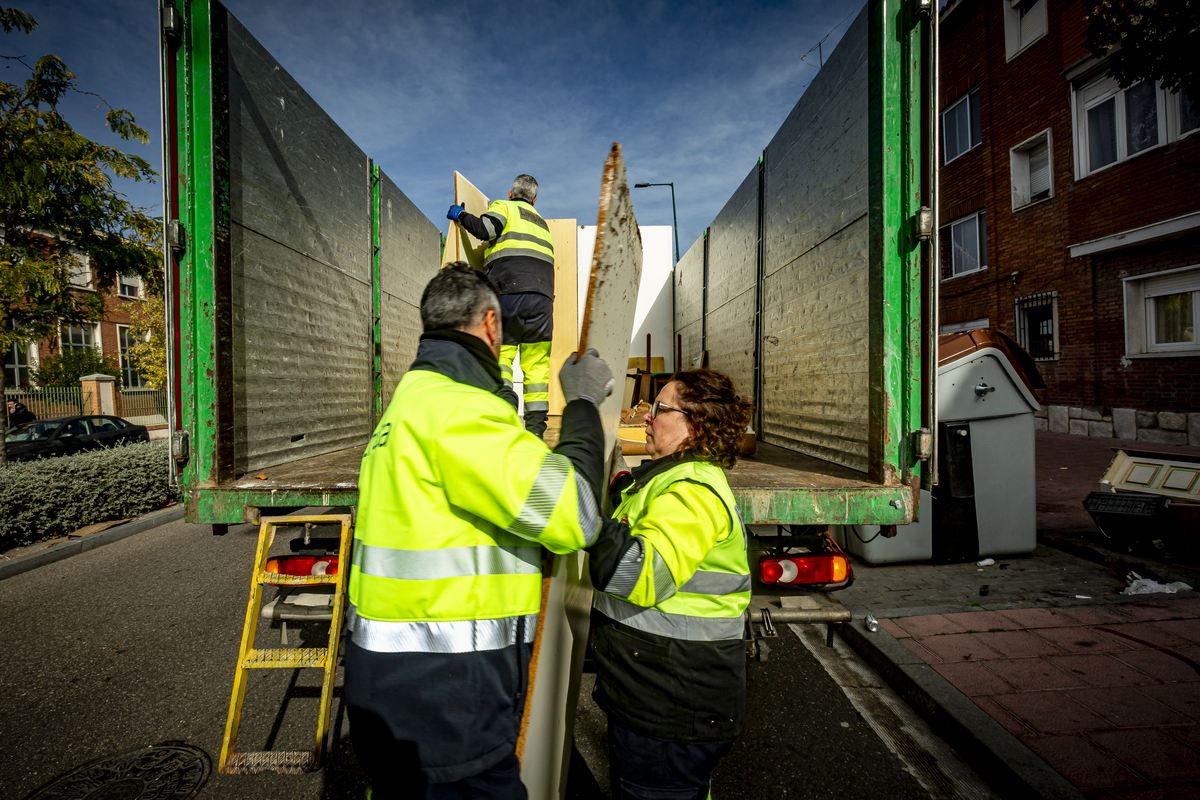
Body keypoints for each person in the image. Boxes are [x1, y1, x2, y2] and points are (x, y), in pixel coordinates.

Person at [344, 263, 617, 799]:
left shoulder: (409, 405)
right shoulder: (459, 411)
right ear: (491, 324)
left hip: (395, 697)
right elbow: (578, 515)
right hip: (448, 711)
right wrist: (582, 403)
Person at [585, 369, 755, 800]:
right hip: (665, 697)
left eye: (658, 409)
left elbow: (637, 574)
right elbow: (639, 509)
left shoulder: (693, 492)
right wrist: (613, 467)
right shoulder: (672, 478)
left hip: (670, 708)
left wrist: (577, 518)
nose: (645, 417)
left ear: (694, 424)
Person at [448, 174, 555, 438]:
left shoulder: (504, 207)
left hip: (508, 294)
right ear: (535, 199)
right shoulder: (542, 224)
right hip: (542, 301)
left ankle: (506, 417)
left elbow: (485, 230)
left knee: (502, 357)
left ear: (510, 193)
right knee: (537, 370)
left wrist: (461, 215)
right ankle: (536, 434)